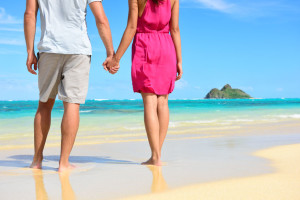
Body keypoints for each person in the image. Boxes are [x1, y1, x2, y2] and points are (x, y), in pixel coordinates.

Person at [24, 0, 115, 172]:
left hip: (49, 49)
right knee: (72, 105)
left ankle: (37, 160)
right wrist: (110, 52)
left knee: (44, 104)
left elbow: (29, 15)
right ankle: (63, 163)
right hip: (78, 50)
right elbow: (101, 19)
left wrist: (29, 52)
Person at [104, 0, 182, 166]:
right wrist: (179, 60)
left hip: (145, 47)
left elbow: (132, 28)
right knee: (163, 102)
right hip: (167, 48)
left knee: (149, 101)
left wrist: (116, 58)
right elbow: (174, 29)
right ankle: (157, 155)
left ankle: (155, 156)